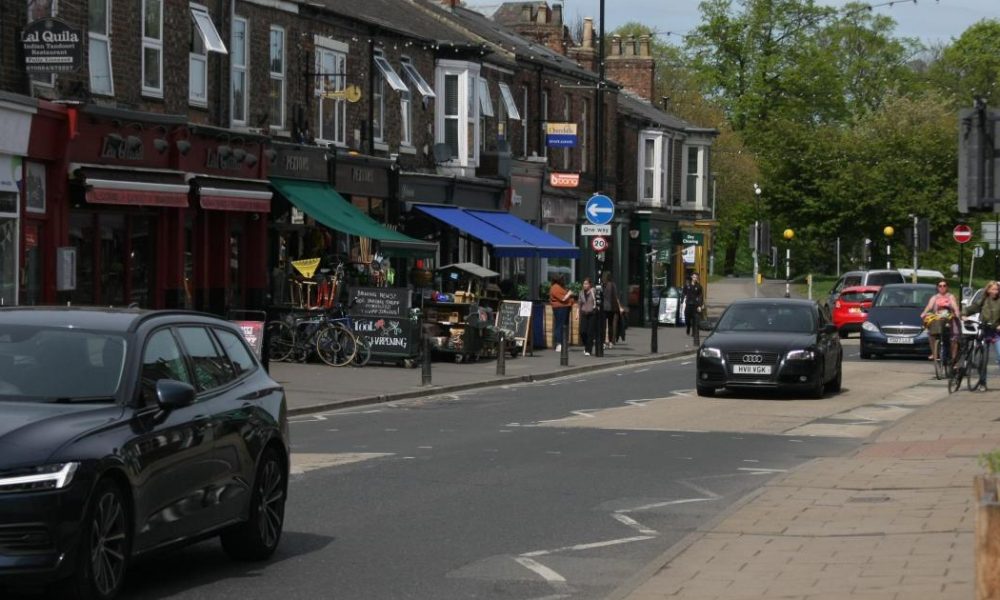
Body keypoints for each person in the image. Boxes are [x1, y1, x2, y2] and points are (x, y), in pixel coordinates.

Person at [963, 280, 1000, 372]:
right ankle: (982, 382)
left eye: (997, 289)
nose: (995, 291)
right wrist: (964, 314)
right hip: (984, 330)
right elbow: (972, 308)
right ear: (988, 290)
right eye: (993, 289)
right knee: (983, 359)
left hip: (996, 332)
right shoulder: (983, 300)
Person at [921, 279, 960, 363]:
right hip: (938, 320)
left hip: (949, 320)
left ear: (947, 287)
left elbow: (954, 306)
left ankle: (954, 360)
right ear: (937, 287)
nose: (942, 287)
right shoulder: (934, 297)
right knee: (931, 335)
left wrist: (956, 313)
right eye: (940, 286)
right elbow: (929, 306)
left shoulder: (950, 297)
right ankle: (934, 354)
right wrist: (924, 313)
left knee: (954, 339)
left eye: (944, 286)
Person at [549, 275, 574, 352]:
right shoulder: (555, 287)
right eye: (563, 279)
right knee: (560, 325)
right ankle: (559, 344)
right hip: (560, 308)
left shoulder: (560, 287)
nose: (564, 281)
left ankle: (563, 344)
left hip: (564, 308)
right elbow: (563, 298)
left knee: (564, 326)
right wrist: (569, 294)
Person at [601, 271, 624, 348]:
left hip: (603, 307)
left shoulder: (602, 285)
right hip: (612, 307)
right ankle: (611, 342)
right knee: (611, 325)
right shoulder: (613, 285)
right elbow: (616, 297)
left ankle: (603, 342)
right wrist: (619, 307)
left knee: (603, 326)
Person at [578, 277, 597, 356]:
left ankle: (588, 350)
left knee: (590, 332)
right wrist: (577, 313)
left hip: (592, 314)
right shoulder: (581, 293)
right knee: (582, 332)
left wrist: (593, 291)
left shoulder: (593, 291)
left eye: (586, 284)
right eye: (584, 283)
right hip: (584, 314)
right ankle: (587, 345)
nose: (584, 285)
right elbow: (579, 304)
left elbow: (598, 296)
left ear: (590, 284)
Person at [682, 272, 705, 336]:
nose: (695, 278)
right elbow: (683, 293)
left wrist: (701, 305)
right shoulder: (687, 285)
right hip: (688, 304)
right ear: (692, 277)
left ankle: (694, 332)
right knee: (687, 319)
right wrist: (681, 301)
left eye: (696, 277)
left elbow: (701, 296)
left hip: (695, 305)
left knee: (695, 319)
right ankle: (688, 326)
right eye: (694, 277)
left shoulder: (699, 286)